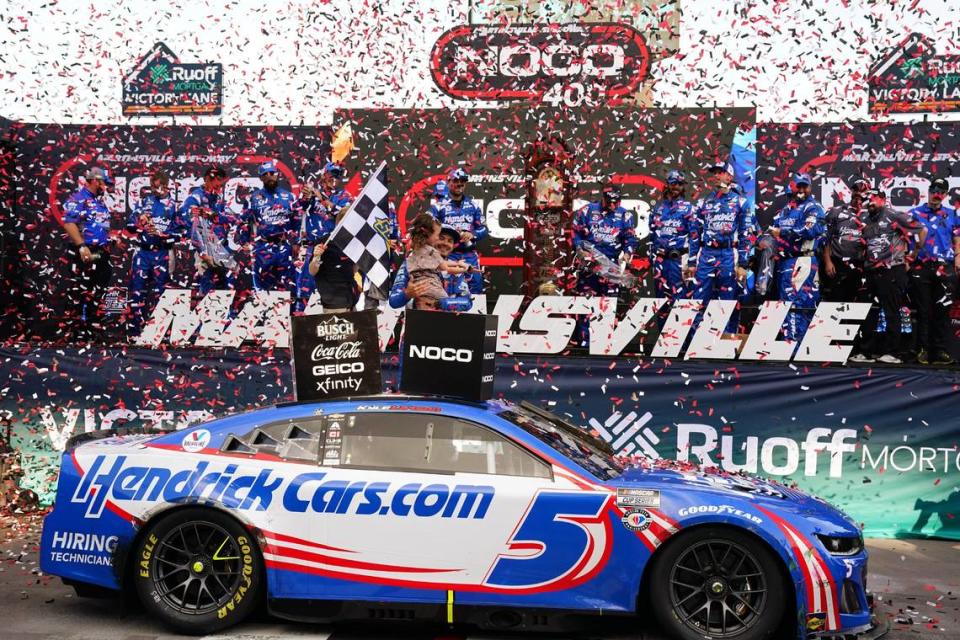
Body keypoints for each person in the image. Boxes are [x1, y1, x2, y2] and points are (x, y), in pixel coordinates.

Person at [850, 188, 926, 364]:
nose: (871, 202)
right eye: (869, 199)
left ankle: (893, 353)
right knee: (868, 311)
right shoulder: (865, 219)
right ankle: (866, 352)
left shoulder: (895, 215)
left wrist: (914, 253)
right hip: (870, 271)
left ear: (883, 199)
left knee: (891, 311)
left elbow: (922, 230)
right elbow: (865, 243)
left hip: (892, 269)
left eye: (875, 198)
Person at [687, 162, 757, 313]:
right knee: (698, 300)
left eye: (721, 172)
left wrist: (743, 264)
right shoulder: (703, 202)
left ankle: (726, 335)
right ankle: (697, 335)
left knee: (727, 301)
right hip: (706, 254)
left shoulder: (741, 202)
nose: (716, 175)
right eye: (715, 173)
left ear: (729, 176)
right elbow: (694, 233)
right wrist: (692, 261)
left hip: (728, 255)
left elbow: (746, 234)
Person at [768, 173, 826, 341]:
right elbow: (772, 230)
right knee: (787, 301)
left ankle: (793, 344)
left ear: (810, 187)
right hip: (785, 261)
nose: (801, 190)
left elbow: (811, 231)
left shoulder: (814, 207)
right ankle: (794, 342)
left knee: (797, 302)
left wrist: (783, 233)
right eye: (798, 186)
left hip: (803, 259)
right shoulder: (786, 210)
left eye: (804, 186)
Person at [908, 177, 959, 365]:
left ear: (945, 195)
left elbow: (957, 238)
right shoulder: (914, 213)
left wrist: (958, 258)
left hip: (944, 267)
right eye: (934, 189)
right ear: (929, 191)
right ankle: (922, 349)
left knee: (943, 310)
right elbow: (903, 239)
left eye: (941, 191)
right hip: (921, 267)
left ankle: (940, 351)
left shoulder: (952, 214)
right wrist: (908, 259)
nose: (936, 194)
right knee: (923, 310)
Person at [126, 170, 184, 334]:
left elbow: (181, 234)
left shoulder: (175, 206)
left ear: (165, 187)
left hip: (162, 253)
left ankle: (160, 331)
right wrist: (140, 222)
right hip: (142, 253)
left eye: (157, 187)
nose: (153, 190)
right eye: (151, 186)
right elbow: (129, 226)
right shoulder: (145, 202)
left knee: (162, 293)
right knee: (137, 291)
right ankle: (135, 331)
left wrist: (164, 236)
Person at [62, 167, 115, 339]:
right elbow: (69, 223)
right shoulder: (79, 198)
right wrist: (81, 246)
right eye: (104, 183)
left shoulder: (98, 201)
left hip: (99, 252)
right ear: (96, 181)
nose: (106, 187)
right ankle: (77, 332)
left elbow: (98, 226)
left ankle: (93, 328)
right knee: (81, 291)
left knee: (98, 289)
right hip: (84, 252)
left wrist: (110, 239)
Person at [296, 162, 352, 311]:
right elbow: (299, 207)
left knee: (331, 288)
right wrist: (306, 195)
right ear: (323, 175)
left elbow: (341, 214)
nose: (334, 178)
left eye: (337, 175)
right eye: (331, 174)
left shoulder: (344, 196)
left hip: (332, 249)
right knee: (305, 287)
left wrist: (321, 197)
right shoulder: (314, 193)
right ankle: (300, 322)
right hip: (313, 247)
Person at [243, 161, 301, 293]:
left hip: (284, 247)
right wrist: (244, 242)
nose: (269, 176)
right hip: (263, 248)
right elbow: (245, 222)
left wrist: (296, 243)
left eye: (272, 173)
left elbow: (296, 221)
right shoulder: (253, 198)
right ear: (261, 178)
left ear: (277, 175)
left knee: (288, 286)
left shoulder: (290, 197)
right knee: (262, 288)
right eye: (265, 174)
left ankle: (289, 313)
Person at [572, 185, 638, 296]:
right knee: (586, 305)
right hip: (589, 264)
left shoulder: (625, 215)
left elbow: (630, 238)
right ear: (603, 198)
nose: (612, 206)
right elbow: (575, 232)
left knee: (609, 305)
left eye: (615, 203)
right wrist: (579, 249)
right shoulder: (587, 210)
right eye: (608, 202)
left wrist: (627, 253)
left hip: (611, 265)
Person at [390, 223, 472, 310]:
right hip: (417, 320)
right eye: (441, 238)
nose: (445, 243)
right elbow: (393, 301)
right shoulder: (411, 263)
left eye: (450, 241)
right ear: (430, 239)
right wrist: (407, 294)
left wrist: (440, 303)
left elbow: (467, 302)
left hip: (447, 321)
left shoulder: (456, 270)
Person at [430, 168, 486, 294]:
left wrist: (473, 234)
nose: (460, 184)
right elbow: (427, 226)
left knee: (476, 289)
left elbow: (483, 228)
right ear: (449, 182)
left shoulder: (473, 205)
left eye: (463, 181)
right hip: (447, 255)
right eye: (456, 180)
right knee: (447, 289)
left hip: (469, 255)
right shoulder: (439, 205)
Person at [182, 166, 235, 294]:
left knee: (226, 286)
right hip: (205, 250)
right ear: (207, 179)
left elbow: (231, 219)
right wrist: (203, 252)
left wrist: (216, 216)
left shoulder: (218, 199)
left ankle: (225, 313)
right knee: (206, 286)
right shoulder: (195, 198)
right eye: (216, 182)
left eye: (221, 184)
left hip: (221, 248)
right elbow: (190, 225)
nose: (219, 186)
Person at [822, 176, 869, 304]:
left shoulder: (871, 214)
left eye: (862, 191)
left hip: (861, 265)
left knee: (858, 303)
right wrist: (828, 262)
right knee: (835, 301)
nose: (858, 193)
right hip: (837, 264)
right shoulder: (836, 212)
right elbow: (826, 238)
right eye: (855, 190)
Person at [649, 170, 695, 301]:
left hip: (679, 260)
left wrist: (692, 262)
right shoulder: (658, 208)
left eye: (680, 184)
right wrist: (652, 259)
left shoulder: (689, 208)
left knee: (681, 302)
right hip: (660, 261)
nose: (676, 187)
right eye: (673, 183)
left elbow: (694, 238)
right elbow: (652, 236)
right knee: (660, 301)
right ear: (667, 184)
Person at [307, 207, 358, 312]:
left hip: (351, 300)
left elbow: (353, 270)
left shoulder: (353, 243)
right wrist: (316, 257)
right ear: (339, 222)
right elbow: (312, 271)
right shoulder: (324, 243)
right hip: (333, 304)